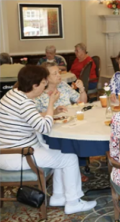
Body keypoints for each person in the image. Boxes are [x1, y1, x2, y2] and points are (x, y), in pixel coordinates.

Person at [0, 65, 96, 214]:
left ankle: (58, 196)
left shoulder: (13, 94)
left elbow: (33, 118)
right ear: (34, 85)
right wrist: (51, 103)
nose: (44, 87)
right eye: (43, 84)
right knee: (69, 157)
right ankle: (73, 202)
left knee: (58, 150)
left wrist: (51, 111)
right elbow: (45, 127)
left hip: (9, 150)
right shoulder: (24, 103)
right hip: (17, 154)